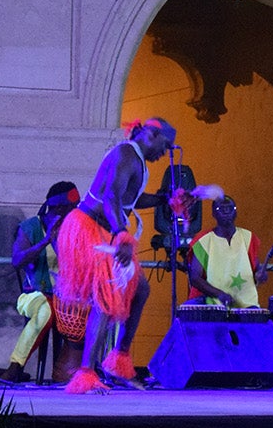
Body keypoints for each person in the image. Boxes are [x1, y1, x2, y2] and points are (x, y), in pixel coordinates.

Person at [53, 117, 210, 392]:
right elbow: (112, 197)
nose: (166, 152)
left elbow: (130, 199)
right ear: (151, 134)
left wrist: (164, 199)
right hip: (90, 229)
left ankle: (119, 360)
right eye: (166, 145)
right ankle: (87, 373)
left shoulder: (136, 160)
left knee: (140, 289)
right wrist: (122, 234)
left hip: (105, 230)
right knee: (106, 295)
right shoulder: (126, 153)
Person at [1, 180, 79, 383]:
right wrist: (44, 242)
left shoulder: (74, 229)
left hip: (65, 298)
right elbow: (17, 260)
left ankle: (68, 371)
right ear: (60, 208)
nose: (76, 211)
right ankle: (15, 366)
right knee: (45, 310)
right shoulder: (30, 227)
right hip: (32, 295)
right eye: (73, 207)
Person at [186, 196, 269, 308]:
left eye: (230, 208)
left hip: (246, 304)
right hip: (214, 304)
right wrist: (219, 294)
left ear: (236, 212)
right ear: (213, 214)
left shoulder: (247, 237)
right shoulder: (203, 241)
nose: (226, 212)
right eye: (221, 209)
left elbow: (255, 266)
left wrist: (260, 273)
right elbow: (195, 278)